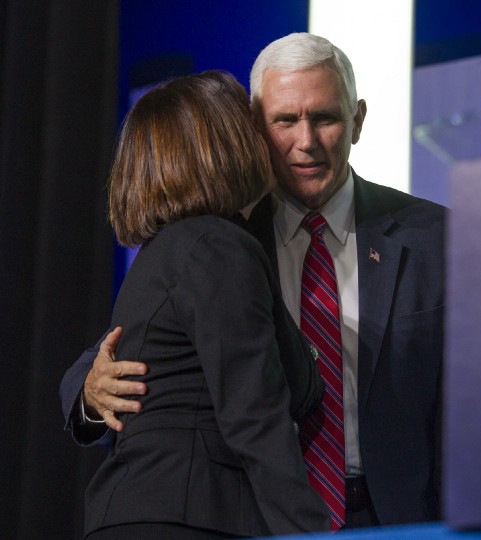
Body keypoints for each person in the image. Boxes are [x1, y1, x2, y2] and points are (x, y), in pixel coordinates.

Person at [61, 33, 446, 530]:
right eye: (284, 121)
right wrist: (89, 389)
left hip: (397, 516)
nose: (305, 142)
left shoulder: (438, 238)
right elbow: (135, 339)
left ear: (358, 120)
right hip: (253, 514)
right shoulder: (220, 237)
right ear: (253, 129)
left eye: (325, 118)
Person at [75, 70, 329, 539]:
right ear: (223, 144)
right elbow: (253, 415)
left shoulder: (172, 250)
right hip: (188, 515)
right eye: (253, 126)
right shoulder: (215, 247)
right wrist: (311, 534)